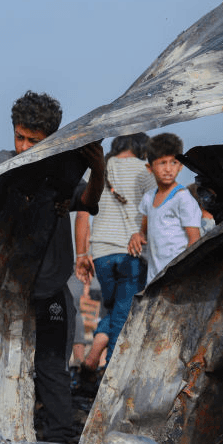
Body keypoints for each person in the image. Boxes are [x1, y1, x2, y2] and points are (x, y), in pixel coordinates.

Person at [0, 91, 104, 444]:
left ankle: (60, 439)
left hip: (51, 287)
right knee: (4, 364)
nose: (23, 146)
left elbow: (88, 201)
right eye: (19, 137)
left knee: (51, 366)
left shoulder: (64, 179)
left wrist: (98, 168)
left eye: (33, 141)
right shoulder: (3, 161)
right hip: (9, 289)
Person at [74, 133, 155, 371]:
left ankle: (91, 360)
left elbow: (82, 213)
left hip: (101, 256)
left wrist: (81, 255)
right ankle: (110, 375)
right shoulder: (145, 170)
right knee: (124, 316)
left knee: (116, 309)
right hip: (132, 254)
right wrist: (141, 234)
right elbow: (154, 205)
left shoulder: (99, 168)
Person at [128, 133, 201, 283]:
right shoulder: (149, 198)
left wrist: (184, 272)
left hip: (176, 277)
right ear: (150, 168)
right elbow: (144, 231)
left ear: (180, 166)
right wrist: (137, 236)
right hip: (154, 277)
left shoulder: (183, 198)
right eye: (162, 163)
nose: (168, 169)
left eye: (173, 162)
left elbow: (194, 240)